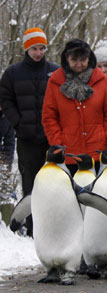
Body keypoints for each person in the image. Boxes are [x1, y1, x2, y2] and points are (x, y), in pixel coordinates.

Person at [0, 27, 59, 236]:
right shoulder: (13, 73)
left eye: (42, 48)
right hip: (26, 139)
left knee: (53, 184)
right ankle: (33, 228)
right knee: (30, 184)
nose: (38, 53)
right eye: (35, 48)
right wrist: (17, 122)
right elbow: (5, 99)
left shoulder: (55, 71)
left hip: (51, 139)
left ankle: (53, 226)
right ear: (27, 48)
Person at [42, 38, 107, 175]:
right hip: (68, 153)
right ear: (67, 58)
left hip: (97, 152)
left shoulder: (101, 79)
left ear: (89, 58)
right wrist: (57, 141)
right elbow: (49, 116)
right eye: (74, 59)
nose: (78, 64)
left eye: (82, 59)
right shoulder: (55, 81)